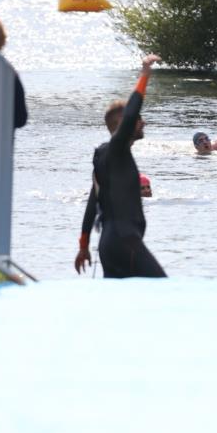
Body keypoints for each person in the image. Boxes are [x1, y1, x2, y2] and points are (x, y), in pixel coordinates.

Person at [74, 55, 166, 278]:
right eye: (137, 120)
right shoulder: (116, 149)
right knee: (162, 289)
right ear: (121, 124)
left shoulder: (105, 157)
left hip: (110, 245)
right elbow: (132, 110)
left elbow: (91, 204)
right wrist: (145, 74)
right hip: (126, 243)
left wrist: (84, 245)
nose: (143, 122)